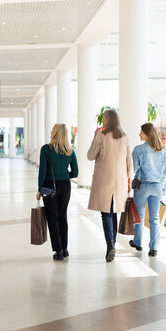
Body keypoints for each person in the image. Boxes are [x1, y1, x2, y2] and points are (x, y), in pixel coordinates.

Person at [87, 109, 133, 262]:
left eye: (104, 118)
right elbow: (129, 161)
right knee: (113, 213)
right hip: (119, 182)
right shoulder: (124, 137)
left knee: (106, 213)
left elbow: (90, 156)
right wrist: (129, 179)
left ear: (108, 119)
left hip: (104, 181)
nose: (103, 120)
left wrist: (94, 138)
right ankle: (112, 244)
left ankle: (110, 245)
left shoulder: (101, 136)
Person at [36, 124, 79, 261]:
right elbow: (75, 172)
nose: (51, 131)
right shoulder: (70, 151)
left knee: (52, 218)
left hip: (49, 186)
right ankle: (65, 248)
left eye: (52, 129)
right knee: (62, 216)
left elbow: (42, 171)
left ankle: (58, 251)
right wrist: (64, 175)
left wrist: (39, 188)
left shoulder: (46, 149)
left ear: (57, 133)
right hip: (66, 186)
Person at [129, 123, 166, 257]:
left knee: (139, 216)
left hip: (142, 186)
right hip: (157, 186)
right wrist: (162, 188)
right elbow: (165, 173)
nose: (139, 134)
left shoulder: (138, 149)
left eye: (141, 132)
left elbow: (133, 168)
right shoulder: (162, 151)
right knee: (154, 218)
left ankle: (138, 243)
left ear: (147, 134)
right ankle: (154, 248)